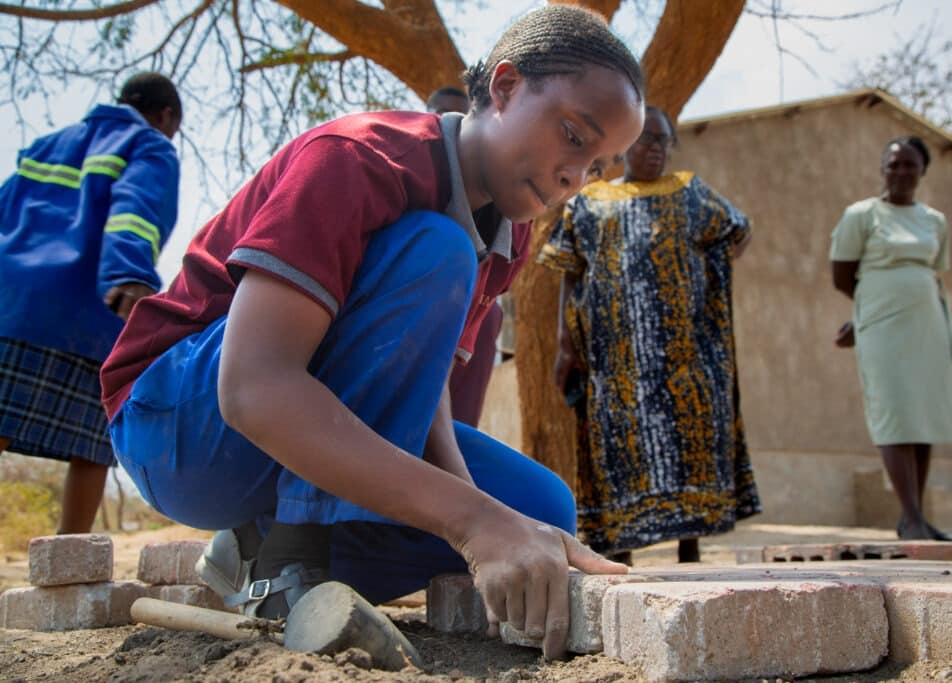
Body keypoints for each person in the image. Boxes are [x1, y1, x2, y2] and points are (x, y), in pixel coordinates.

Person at [99, 5, 644, 659]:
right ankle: (292, 557)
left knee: (540, 512)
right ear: (504, 88)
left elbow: (421, 389)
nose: (574, 177)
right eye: (574, 136)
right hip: (178, 424)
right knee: (437, 249)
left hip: (276, 440)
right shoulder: (358, 158)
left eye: (598, 166)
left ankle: (256, 550)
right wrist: (469, 523)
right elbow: (249, 388)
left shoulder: (509, 234)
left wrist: (486, 515)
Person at [539, 105, 761, 566]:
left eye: (664, 141)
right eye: (647, 140)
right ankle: (620, 549)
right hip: (615, 357)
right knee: (616, 441)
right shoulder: (589, 200)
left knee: (688, 438)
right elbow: (570, 272)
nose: (657, 150)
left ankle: (690, 548)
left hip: (685, 353)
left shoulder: (691, 193)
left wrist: (702, 278)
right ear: (625, 146)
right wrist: (565, 343)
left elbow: (736, 232)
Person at [0, 72, 181, 534]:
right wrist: (130, 276)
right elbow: (135, 209)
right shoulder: (150, 145)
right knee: (92, 445)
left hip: (9, 302)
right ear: (165, 116)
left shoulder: (49, 143)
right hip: (79, 311)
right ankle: (68, 565)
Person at [830, 135, 952, 542]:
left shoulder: (933, 221)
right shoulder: (862, 215)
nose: (901, 172)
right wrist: (865, 314)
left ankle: (915, 518)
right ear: (882, 169)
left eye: (909, 164)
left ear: (923, 170)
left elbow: (932, 271)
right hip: (882, 325)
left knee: (923, 415)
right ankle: (909, 514)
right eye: (893, 164)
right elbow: (841, 274)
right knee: (894, 411)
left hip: (928, 325)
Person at [426, 85, 515, 427]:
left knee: (489, 314)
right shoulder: (402, 178)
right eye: (442, 115)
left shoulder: (509, 223)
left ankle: (457, 432)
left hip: (444, 357)